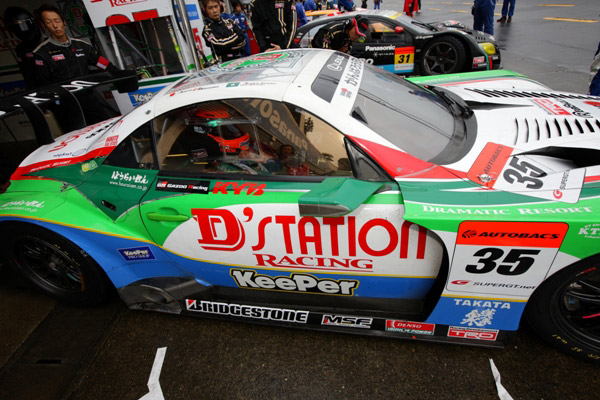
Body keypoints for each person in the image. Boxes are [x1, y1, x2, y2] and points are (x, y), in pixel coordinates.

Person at [33, 3, 119, 124]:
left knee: (107, 126)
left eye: (57, 21)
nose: (55, 26)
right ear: (44, 26)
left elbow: (104, 64)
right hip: (66, 104)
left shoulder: (82, 46)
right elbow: (43, 85)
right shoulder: (41, 53)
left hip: (89, 98)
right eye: (49, 22)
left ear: (64, 23)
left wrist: (120, 75)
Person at [4, 7, 42, 90]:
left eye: (21, 25)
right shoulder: (20, 49)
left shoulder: (45, 44)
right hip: (35, 87)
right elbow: (27, 73)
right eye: (16, 27)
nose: (20, 30)